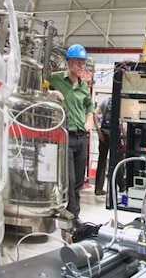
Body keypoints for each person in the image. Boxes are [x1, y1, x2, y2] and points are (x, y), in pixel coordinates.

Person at [47, 43, 94, 225]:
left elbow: (89, 105)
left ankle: (75, 215)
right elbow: (39, 88)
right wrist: (51, 92)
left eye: (82, 63)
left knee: (78, 182)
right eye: (77, 62)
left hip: (81, 137)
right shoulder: (56, 78)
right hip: (64, 135)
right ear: (68, 62)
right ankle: (72, 218)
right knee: (69, 178)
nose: (80, 66)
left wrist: (89, 119)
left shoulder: (83, 86)